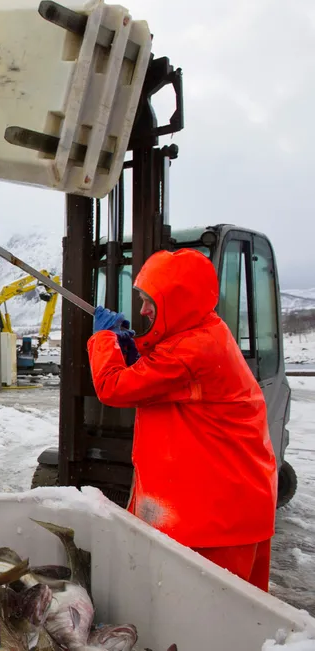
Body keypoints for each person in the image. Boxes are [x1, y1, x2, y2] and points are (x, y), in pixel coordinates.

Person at [87, 248, 277, 592]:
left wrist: (103, 340)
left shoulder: (192, 352)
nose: (143, 310)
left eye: (150, 301)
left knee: (208, 613)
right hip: (228, 509)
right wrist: (134, 352)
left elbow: (113, 388)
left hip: (214, 522)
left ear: (177, 301)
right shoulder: (204, 334)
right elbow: (164, 369)